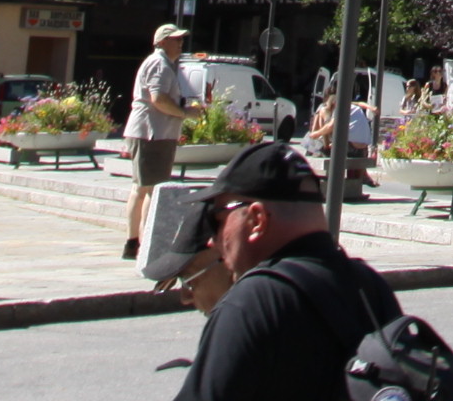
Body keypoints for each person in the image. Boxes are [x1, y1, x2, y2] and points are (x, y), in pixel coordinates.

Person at [170, 140, 402, 401]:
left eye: (217, 218)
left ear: (257, 220)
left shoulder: (250, 303)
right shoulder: (371, 286)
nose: (212, 240)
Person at [126, 22, 204, 261]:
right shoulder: (160, 64)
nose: (180, 43)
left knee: (141, 189)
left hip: (150, 132)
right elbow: (158, 99)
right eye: (175, 39)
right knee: (152, 190)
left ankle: (134, 243)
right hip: (154, 133)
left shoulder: (163, 64)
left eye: (181, 39)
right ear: (161, 42)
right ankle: (146, 244)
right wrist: (186, 113)